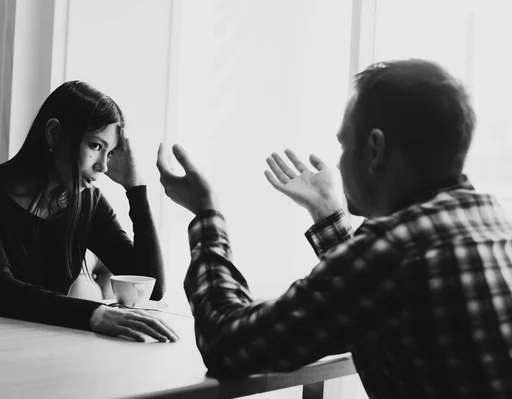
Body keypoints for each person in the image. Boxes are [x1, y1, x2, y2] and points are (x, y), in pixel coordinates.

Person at [156, 59, 512, 397]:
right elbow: (375, 293)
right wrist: (328, 212)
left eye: (343, 143)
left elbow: (227, 343)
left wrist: (206, 213)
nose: (339, 160)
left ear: (375, 149)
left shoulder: (394, 251)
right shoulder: (493, 224)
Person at [0, 80, 178, 343]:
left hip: (50, 348)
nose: (103, 167)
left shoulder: (88, 201)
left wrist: (136, 190)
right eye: (96, 146)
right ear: (53, 132)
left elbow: (150, 287)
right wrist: (93, 313)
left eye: (110, 153)